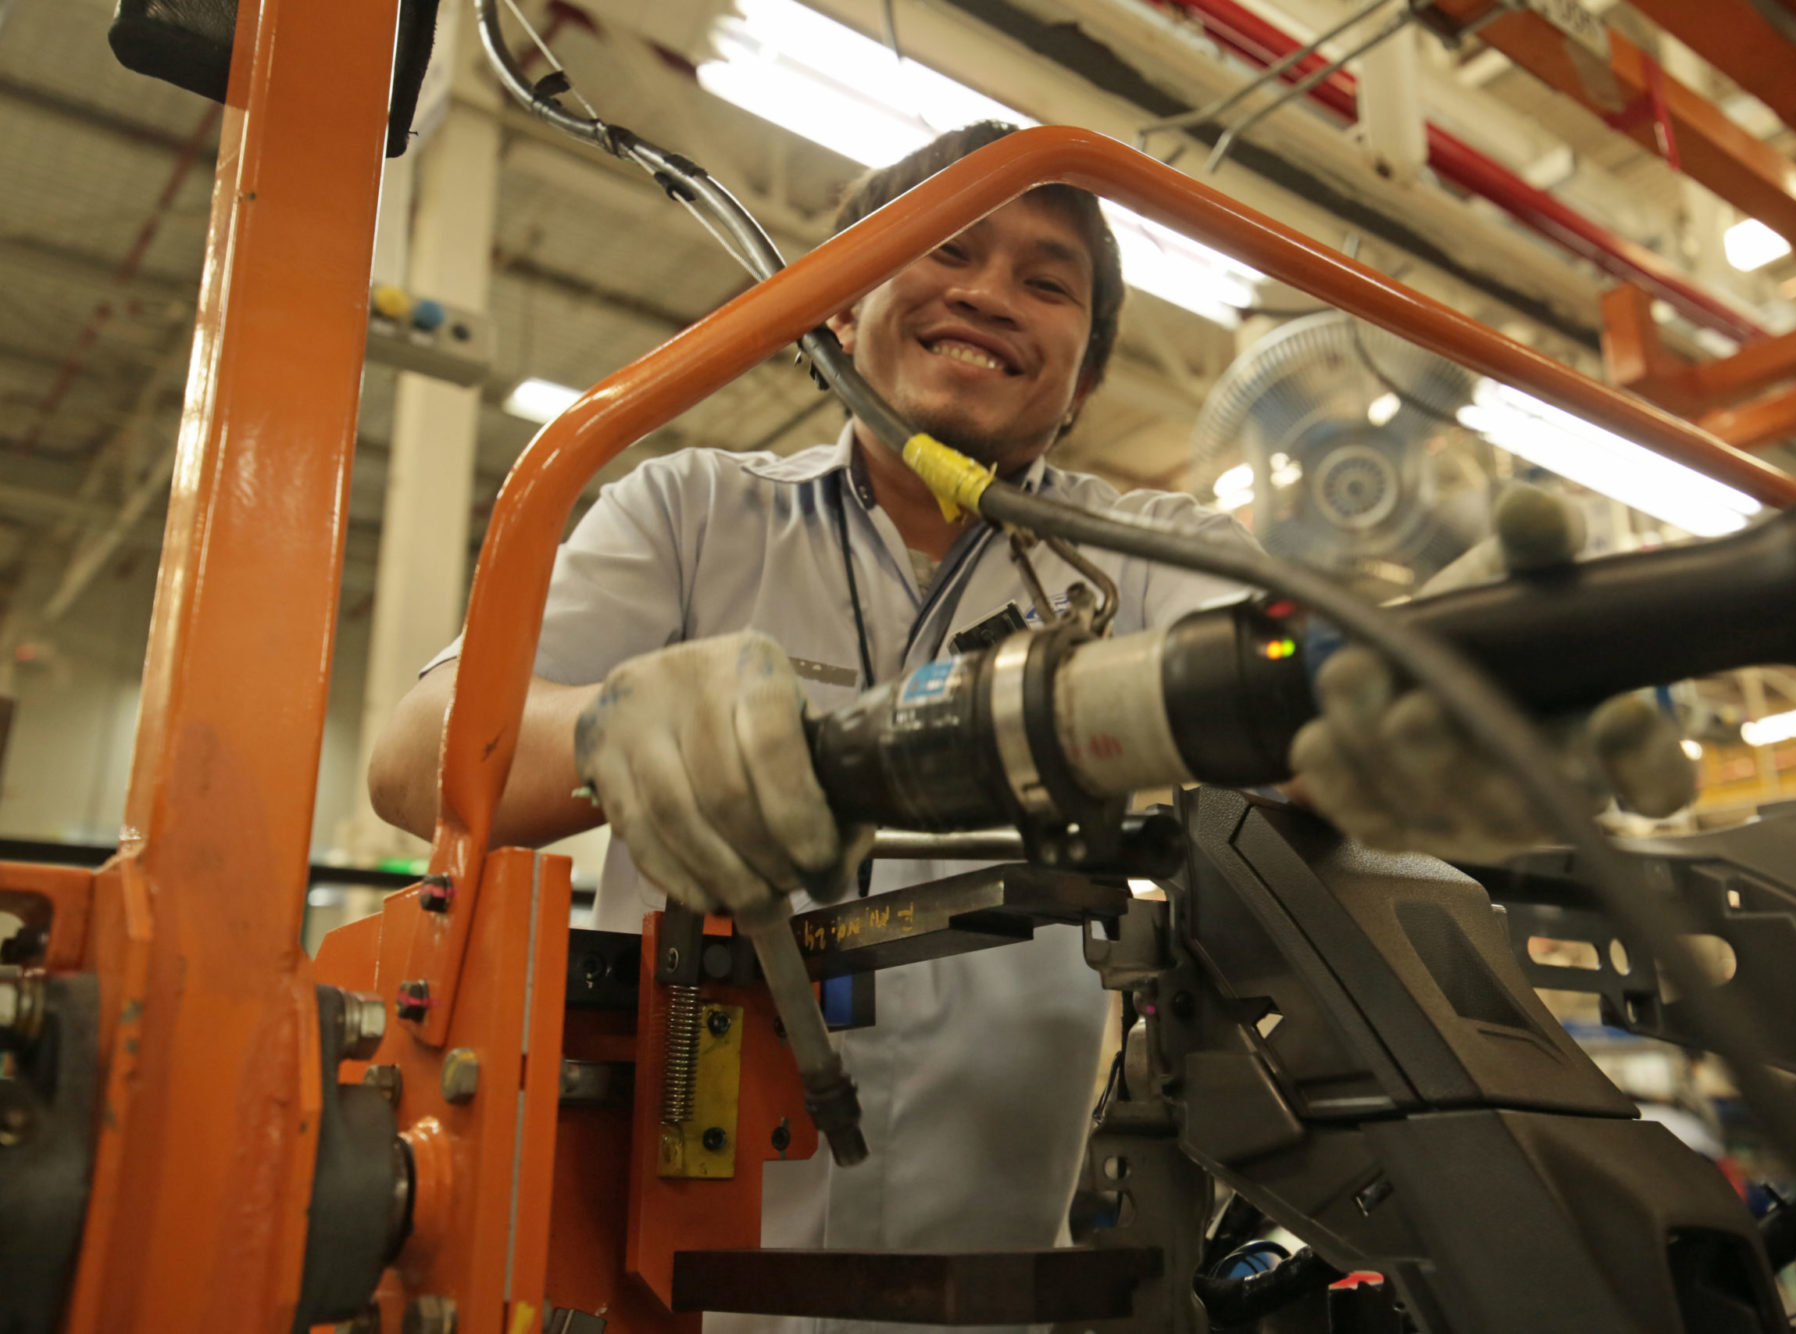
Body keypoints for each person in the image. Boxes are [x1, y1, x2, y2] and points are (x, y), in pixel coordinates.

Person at [370, 119, 1691, 1333]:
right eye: (945, 249)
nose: (990, 292)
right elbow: (409, 757)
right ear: (839, 303)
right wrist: (608, 724)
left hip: (1009, 1285)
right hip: (671, 1277)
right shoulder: (690, 512)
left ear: (1083, 379)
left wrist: (1448, 707)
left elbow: (1313, 714)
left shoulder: (1155, 559)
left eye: (1048, 283)